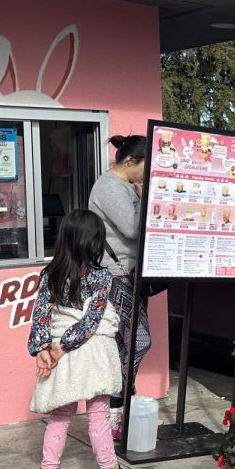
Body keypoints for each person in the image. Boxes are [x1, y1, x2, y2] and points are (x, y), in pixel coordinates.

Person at [23, 209, 148, 469]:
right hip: (92, 354)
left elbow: (39, 315)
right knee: (98, 416)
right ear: (95, 242)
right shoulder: (102, 276)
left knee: (59, 416)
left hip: (61, 357)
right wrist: (58, 348)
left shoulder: (50, 275)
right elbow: (92, 321)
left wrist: (42, 350)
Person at [88, 134, 151, 434]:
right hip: (115, 275)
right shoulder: (110, 187)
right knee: (132, 341)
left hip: (128, 274)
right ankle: (115, 407)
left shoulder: (124, 186)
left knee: (127, 343)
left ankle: (118, 408)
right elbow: (131, 228)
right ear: (130, 161)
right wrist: (146, 195)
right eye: (145, 167)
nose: (146, 174)